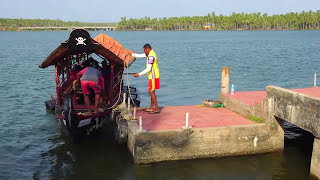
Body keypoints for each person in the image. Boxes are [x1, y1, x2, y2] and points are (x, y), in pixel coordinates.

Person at [132, 44, 160, 113]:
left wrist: (139, 74)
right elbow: (141, 55)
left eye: (144, 50)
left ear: (147, 49)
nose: (144, 52)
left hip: (153, 76)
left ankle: (156, 108)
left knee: (151, 92)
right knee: (152, 92)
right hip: (153, 76)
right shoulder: (150, 53)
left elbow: (148, 69)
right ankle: (151, 107)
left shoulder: (151, 56)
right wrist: (132, 54)